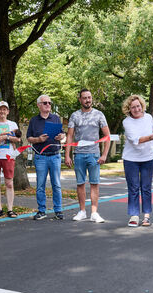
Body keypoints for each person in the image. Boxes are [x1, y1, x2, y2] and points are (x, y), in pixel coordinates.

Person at [66, 89, 111, 223]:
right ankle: (82, 211)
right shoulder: (75, 116)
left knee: (94, 184)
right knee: (80, 184)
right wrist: (67, 155)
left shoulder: (99, 114)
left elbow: (107, 135)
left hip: (94, 154)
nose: (87, 100)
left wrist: (104, 154)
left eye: (89, 97)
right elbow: (70, 135)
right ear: (80, 100)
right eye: (84, 98)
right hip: (79, 154)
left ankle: (94, 213)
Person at [121, 94, 153, 227]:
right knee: (133, 187)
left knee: (146, 187)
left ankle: (147, 215)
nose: (136, 109)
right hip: (131, 159)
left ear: (142, 105)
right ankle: (134, 215)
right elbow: (135, 140)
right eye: (133, 107)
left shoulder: (148, 117)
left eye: (138, 106)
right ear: (129, 109)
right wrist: (151, 137)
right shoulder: (126, 122)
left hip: (148, 157)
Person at [27, 94, 66, 220]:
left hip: (55, 156)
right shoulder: (33, 120)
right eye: (45, 103)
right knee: (40, 186)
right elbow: (29, 138)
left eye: (49, 103)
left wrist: (61, 137)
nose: (48, 105)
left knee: (57, 185)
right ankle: (41, 210)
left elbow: (63, 135)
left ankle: (58, 210)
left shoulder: (55, 118)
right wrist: (38, 139)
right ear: (39, 105)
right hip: (41, 157)